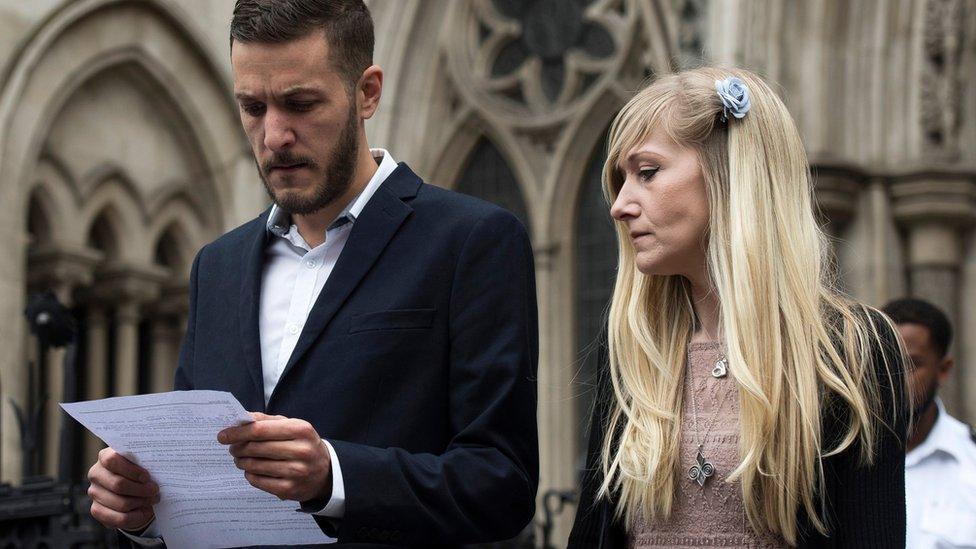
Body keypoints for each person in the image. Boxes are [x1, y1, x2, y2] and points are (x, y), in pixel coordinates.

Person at [84, 0, 539, 546]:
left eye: (300, 103)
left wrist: (334, 477)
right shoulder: (217, 266)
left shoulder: (471, 241)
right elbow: (196, 481)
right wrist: (145, 513)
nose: (274, 135)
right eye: (252, 107)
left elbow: (501, 483)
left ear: (367, 92)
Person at [568, 67, 908, 548]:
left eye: (647, 173)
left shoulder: (851, 349)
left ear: (729, 173)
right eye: (620, 180)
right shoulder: (633, 349)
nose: (619, 205)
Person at [882, 298, 976, 548]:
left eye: (912, 364)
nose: (895, 378)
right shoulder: (838, 462)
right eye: (886, 363)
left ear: (943, 369)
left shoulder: (970, 462)